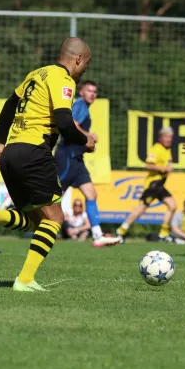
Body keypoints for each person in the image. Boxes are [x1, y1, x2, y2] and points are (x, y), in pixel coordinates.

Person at [0, 37, 96, 292]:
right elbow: (65, 123)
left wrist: (0, 141)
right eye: (85, 65)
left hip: (11, 154)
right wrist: (84, 140)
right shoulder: (63, 79)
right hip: (34, 153)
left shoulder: (36, 74)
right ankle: (24, 280)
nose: (84, 70)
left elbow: (9, 106)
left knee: (36, 222)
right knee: (55, 219)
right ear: (78, 59)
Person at [55, 80, 120, 248]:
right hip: (67, 157)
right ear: (81, 92)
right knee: (54, 196)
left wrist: (85, 145)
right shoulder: (80, 105)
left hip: (77, 159)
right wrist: (88, 136)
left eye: (95, 92)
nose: (93, 94)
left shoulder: (84, 107)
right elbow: (73, 125)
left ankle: (97, 235)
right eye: (89, 90)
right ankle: (34, 224)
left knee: (91, 194)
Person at [116, 127, 177, 243]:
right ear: (161, 137)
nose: (170, 139)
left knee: (172, 205)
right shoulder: (156, 149)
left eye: (171, 137)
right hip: (153, 185)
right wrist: (164, 169)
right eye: (168, 137)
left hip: (160, 185)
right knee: (141, 209)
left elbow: (168, 164)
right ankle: (121, 231)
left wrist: (169, 168)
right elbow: (148, 165)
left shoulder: (167, 149)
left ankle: (163, 234)